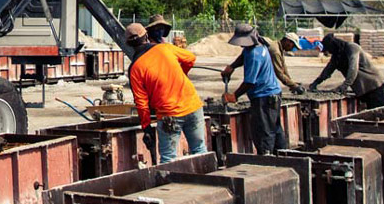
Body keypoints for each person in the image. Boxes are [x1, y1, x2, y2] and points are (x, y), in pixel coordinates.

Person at [126, 22, 207, 163]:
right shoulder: (166, 48)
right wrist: (182, 73)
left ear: (129, 44)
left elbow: (141, 103)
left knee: (168, 158)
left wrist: (146, 127)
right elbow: (190, 58)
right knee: (199, 150)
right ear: (146, 36)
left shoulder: (135, 68)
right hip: (193, 106)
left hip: (169, 115)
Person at [222, 24, 287, 154]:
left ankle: (267, 159)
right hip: (273, 94)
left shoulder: (254, 55)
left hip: (264, 98)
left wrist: (234, 96)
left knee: (264, 132)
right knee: (274, 128)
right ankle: (283, 155)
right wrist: (232, 66)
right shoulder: (259, 45)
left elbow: (249, 82)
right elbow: (243, 56)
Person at [308, 33, 384, 108]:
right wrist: (316, 82)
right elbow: (328, 70)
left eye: (329, 49)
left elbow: (353, 69)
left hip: (374, 85)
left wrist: (344, 86)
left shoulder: (352, 48)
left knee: (376, 113)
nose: (329, 52)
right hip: (363, 89)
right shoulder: (337, 56)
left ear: (334, 46)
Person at [223, 31, 306, 95]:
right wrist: (293, 86)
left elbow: (283, 68)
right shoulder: (275, 51)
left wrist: (292, 83)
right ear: (288, 41)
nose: (292, 48)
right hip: (263, 90)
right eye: (293, 45)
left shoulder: (277, 47)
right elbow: (279, 73)